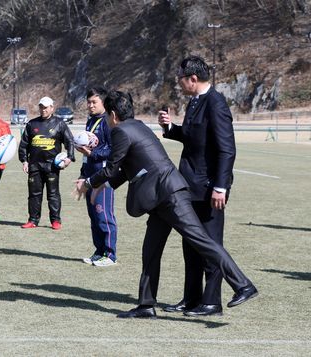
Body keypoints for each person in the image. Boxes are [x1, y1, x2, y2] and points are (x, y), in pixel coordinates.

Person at [74, 90, 258, 319]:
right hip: (159, 197)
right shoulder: (137, 126)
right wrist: (104, 185)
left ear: (112, 115)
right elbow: (126, 168)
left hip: (169, 195)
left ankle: (243, 285)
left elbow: (112, 167)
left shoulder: (121, 131)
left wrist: (89, 183)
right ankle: (145, 306)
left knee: (201, 240)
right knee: (150, 250)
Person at [158, 56, 237, 317]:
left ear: (193, 78)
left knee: (210, 245)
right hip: (189, 186)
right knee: (190, 245)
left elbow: (227, 150)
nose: (178, 83)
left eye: (180, 79)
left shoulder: (215, 103)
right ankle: (191, 299)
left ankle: (212, 302)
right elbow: (192, 139)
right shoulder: (194, 102)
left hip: (208, 190)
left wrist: (220, 187)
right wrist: (169, 127)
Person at [18, 96, 75, 230]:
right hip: (34, 165)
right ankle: (33, 220)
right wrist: (24, 160)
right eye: (41, 107)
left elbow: (70, 141)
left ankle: (55, 220)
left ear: (52, 108)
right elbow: (23, 145)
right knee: (34, 195)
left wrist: (69, 157)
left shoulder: (59, 123)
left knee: (53, 194)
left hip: (52, 166)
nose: (43, 110)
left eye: (46, 107)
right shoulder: (32, 124)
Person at [78, 87, 118, 267]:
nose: (90, 105)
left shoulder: (108, 122)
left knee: (104, 215)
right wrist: (82, 173)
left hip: (103, 177)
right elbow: (87, 154)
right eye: (88, 102)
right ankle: (99, 251)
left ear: (103, 102)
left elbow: (112, 149)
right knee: (93, 216)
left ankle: (110, 255)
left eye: (94, 102)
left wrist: (92, 153)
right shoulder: (90, 121)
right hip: (89, 175)